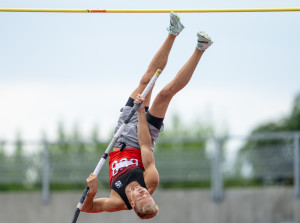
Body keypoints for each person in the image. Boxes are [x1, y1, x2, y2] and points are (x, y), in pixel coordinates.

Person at [81, 11, 213, 219]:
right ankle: (201, 48)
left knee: (146, 81)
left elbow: (88, 208)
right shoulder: (151, 182)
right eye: (149, 195)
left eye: (142, 195)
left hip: (122, 134)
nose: (145, 191)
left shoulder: (118, 201)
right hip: (142, 138)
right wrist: (141, 112)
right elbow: (144, 145)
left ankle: (174, 32)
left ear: (132, 204)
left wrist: (93, 192)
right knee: (164, 94)